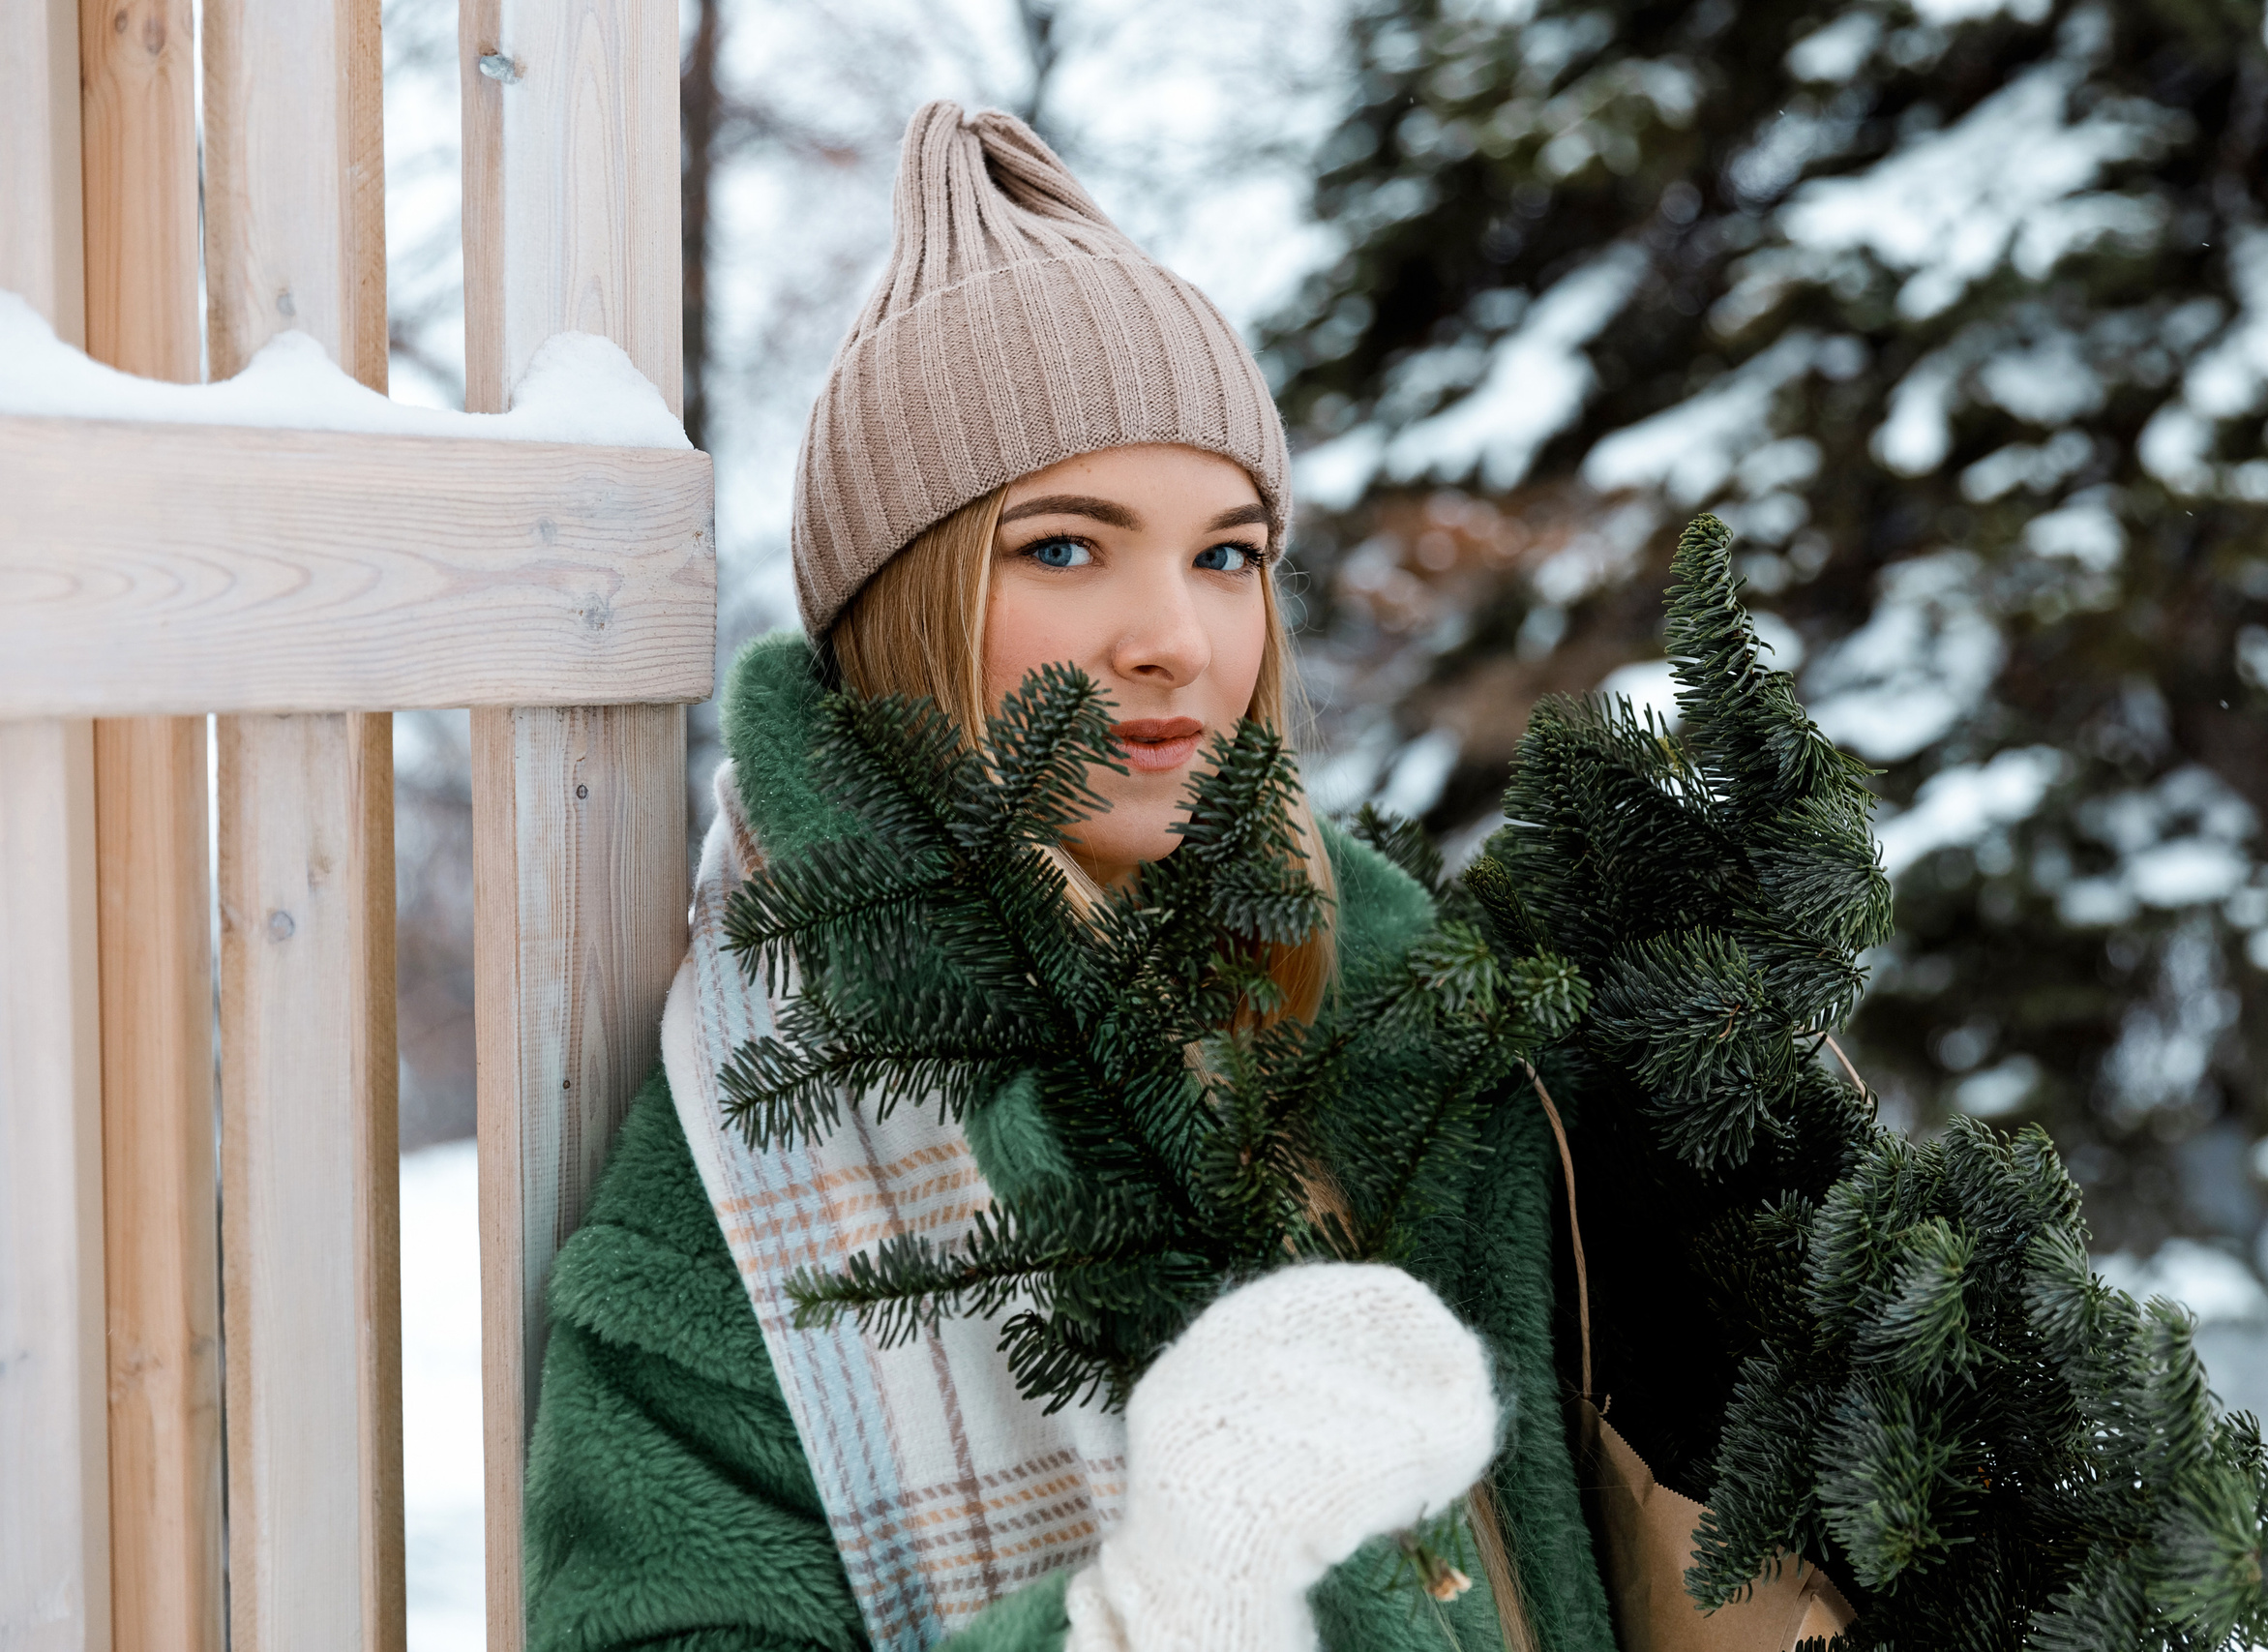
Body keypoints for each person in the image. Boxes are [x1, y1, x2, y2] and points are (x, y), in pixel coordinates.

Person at [521, 102, 1617, 1652]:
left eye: (1226, 554)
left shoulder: (1426, 1033)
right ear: (905, 608)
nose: (1173, 633)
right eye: (1064, 550)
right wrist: (1138, 1615)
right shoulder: (752, 1186)